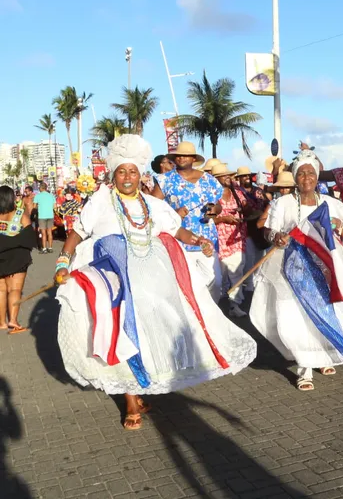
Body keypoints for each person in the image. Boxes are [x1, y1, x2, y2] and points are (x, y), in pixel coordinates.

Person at [54, 135, 257, 430]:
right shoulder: (100, 202)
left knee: (150, 331)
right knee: (121, 329)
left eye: (132, 171)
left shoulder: (153, 206)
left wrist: (198, 240)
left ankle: (142, 384)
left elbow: (177, 231)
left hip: (151, 281)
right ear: (114, 174)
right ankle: (131, 401)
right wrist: (63, 261)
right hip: (113, 281)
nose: (127, 177)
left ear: (140, 175)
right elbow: (77, 233)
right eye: (121, 171)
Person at [250, 150, 343, 391]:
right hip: (292, 269)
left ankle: (324, 356)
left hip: (326, 269)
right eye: (301, 173)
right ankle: (305, 368)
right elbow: (267, 231)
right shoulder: (282, 204)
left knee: (326, 311)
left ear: (317, 177)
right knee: (299, 316)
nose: (306, 177)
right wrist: (276, 236)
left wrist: (337, 224)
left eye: (311, 173)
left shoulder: (330, 204)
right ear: (295, 177)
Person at [152, 142, 224, 303]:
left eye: (185, 155)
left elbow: (219, 205)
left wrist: (215, 209)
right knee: (186, 285)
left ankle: (210, 316)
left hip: (206, 240)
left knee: (215, 281)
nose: (181, 158)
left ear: (193, 158)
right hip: (178, 241)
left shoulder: (209, 180)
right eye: (178, 155)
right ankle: (194, 320)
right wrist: (173, 214)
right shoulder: (165, 180)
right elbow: (152, 208)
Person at [210, 163, 247, 318]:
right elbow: (208, 219)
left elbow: (247, 208)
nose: (227, 178)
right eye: (223, 176)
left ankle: (235, 305)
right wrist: (223, 218)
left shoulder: (237, 193)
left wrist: (242, 210)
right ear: (216, 179)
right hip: (218, 239)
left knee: (237, 272)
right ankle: (216, 308)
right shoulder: (211, 194)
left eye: (228, 175)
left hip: (236, 238)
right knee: (218, 277)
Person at [0, 186, 35, 334]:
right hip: (18, 257)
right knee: (15, 289)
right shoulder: (20, 214)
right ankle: (13, 320)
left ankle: (1, 322)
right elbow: (29, 234)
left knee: (1, 289)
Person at [234, 166, 269, 292]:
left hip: (260, 229)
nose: (247, 178)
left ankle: (256, 285)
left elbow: (268, 205)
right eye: (243, 176)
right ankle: (248, 287)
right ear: (239, 178)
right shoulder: (237, 193)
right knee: (249, 260)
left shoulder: (258, 191)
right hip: (247, 230)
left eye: (248, 175)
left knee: (259, 260)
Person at [32, 182, 55, 254]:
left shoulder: (37, 196)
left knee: (43, 233)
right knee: (49, 232)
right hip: (50, 215)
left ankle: (44, 249)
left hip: (42, 216)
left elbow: (34, 206)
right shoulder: (51, 196)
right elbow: (55, 206)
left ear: (41, 188)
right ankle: (50, 248)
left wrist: (40, 206)